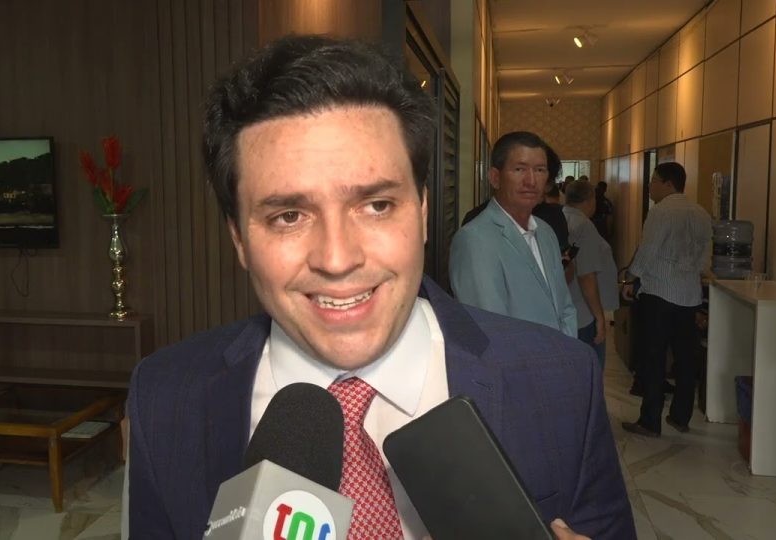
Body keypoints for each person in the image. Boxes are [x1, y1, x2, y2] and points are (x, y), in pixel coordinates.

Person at [128, 35, 635, 540]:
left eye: (376, 206)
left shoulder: (562, 381)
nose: (337, 259)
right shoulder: (165, 398)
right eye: (288, 215)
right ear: (239, 238)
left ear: (422, 212)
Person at [449, 131, 577, 337]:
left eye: (540, 170)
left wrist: (565, 352)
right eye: (519, 169)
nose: (531, 181)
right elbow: (490, 330)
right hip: (516, 358)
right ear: (495, 178)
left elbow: (565, 308)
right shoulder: (475, 240)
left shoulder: (545, 232)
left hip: (560, 354)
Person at [622, 162, 711, 438]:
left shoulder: (660, 212)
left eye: (653, 181)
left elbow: (648, 250)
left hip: (659, 294)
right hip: (689, 296)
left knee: (653, 358)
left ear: (668, 184)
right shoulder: (701, 213)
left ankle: (650, 421)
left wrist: (630, 278)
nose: (650, 186)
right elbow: (704, 257)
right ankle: (680, 417)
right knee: (685, 359)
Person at [563, 180, 619, 368]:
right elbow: (586, 275)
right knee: (590, 370)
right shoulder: (583, 226)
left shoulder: (562, 218)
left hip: (567, 308)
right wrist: (599, 317)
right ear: (590, 199)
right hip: (584, 312)